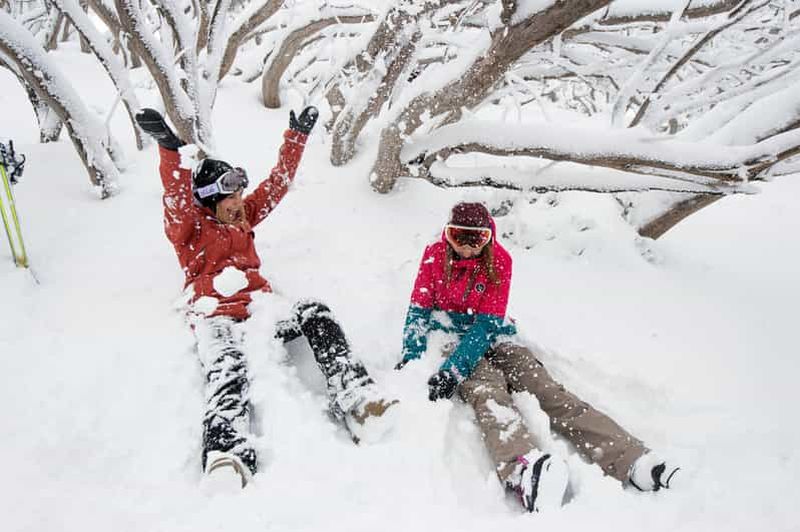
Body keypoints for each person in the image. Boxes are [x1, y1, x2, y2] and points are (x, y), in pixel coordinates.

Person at [135, 107, 396, 488]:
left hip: (261, 311)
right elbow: (175, 196)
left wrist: (296, 136)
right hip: (216, 316)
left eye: (240, 192)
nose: (240, 201)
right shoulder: (188, 231)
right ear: (208, 199)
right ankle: (226, 453)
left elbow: (277, 184)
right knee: (227, 370)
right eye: (229, 195)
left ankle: (357, 397)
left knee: (317, 314)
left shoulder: (243, 217)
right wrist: (168, 149)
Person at [396, 201, 679, 512]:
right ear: (447, 235)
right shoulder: (434, 255)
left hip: (495, 333)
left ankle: (630, 458)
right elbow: (419, 310)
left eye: (474, 240)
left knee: (544, 388)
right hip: (450, 333)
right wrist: (413, 356)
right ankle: (523, 470)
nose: (465, 248)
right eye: (457, 238)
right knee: (488, 391)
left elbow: (487, 324)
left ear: (488, 238)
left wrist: (453, 372)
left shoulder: (499, 261)